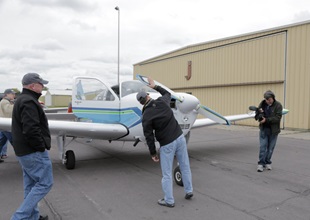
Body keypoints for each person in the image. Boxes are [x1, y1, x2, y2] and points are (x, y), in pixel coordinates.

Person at [136, 77, 193, 208]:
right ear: (148, 96)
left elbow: (149, 136)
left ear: (141, 103)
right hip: (180, 138)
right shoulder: (162, 101)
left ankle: (169, 200)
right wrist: (155, 86)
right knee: (185, 166)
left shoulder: (146, 116)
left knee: (166, 174)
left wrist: (152, 153)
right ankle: (189, 190)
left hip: (167, 144)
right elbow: (167, 93)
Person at [11, 73, 53, 220]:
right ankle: (19, 217)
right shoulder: (29, 102)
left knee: (30, 186)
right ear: (32, 85)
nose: (43, 87)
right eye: (41, 84)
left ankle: (32, 217)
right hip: (32, 151)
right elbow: (31, 129)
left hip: (23, 151)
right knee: (45, 183)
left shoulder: (23, 100)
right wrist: (41, 147)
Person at [256, 90, 283, 172]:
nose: (267, 101)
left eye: (269, 99)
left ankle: (267, 162)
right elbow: (257, 115)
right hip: (264, 129)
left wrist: (266, 120)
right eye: (266, 99)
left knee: (270, 148)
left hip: (273, 131)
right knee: (263, 147)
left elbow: (278, 118)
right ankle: (261, 164)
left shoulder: (278, 105)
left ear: (273, 98)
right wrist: (259, 117)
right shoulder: (262, 104)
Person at [0, 88, 16, 161]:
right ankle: (23, 158)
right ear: (7, 94)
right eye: (12, 94)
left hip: (4, 126)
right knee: (15, 142)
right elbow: (9, 112)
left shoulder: (6, 101)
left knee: (1, 142)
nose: (14, 95)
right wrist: (17, 104)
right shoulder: (5, 102)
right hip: (7, 126)